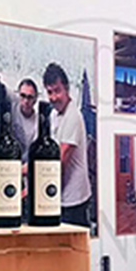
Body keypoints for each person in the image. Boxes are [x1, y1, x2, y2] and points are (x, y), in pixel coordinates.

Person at [43, 62, 91, 227]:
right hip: (59, 196)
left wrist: (32, 187)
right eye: (50, 92)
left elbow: (59, 162)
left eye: (57, 91)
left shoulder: (73, 116)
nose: (53, 97)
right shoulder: (53, 115)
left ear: (67, 89)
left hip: (74, 200)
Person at [11, 78, 39, 162]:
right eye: (23, 96)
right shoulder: (13, 108)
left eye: (30, 97)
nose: (26, 101)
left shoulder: (37, 122)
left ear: (35, 99)